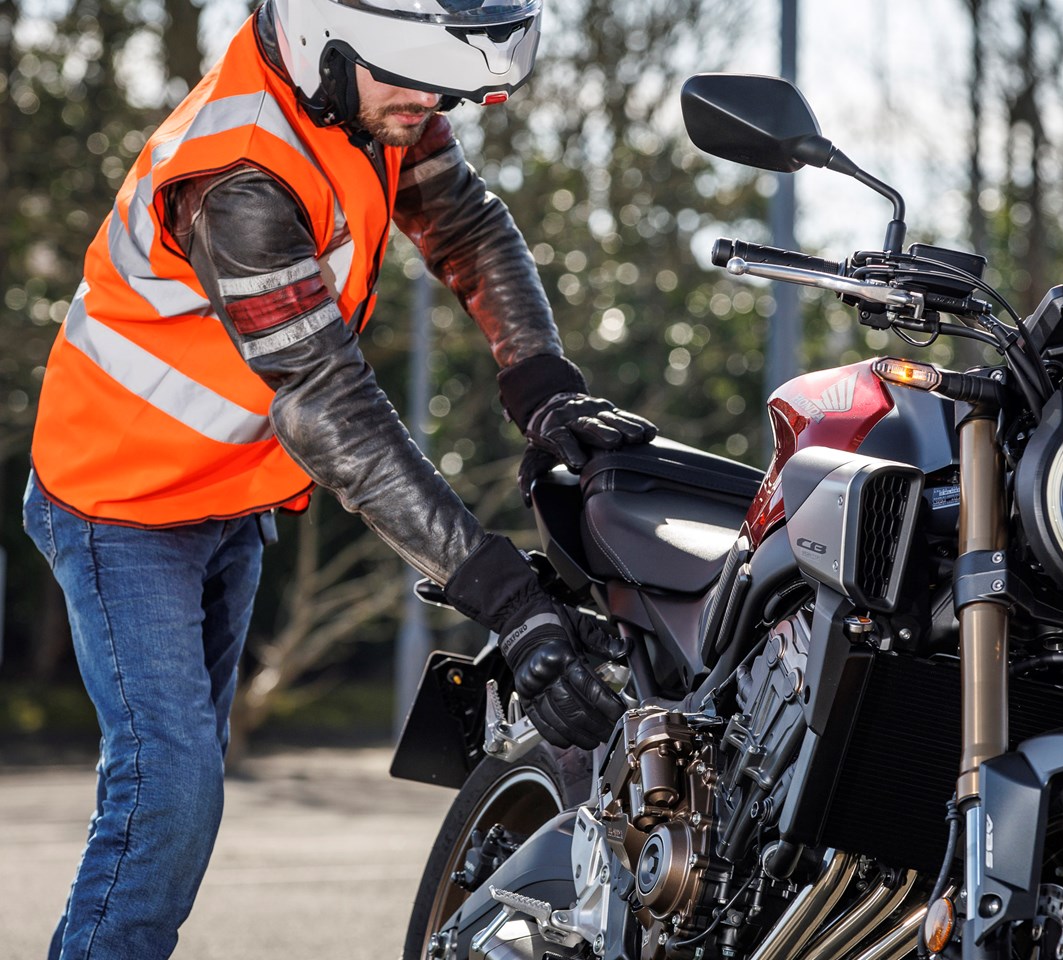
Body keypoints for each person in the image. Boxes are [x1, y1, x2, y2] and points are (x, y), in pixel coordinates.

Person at [21, 0, 651, 956]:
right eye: (414, 80)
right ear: (327, 36)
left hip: (227, 494)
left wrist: (544, 388)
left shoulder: (370, 92)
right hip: (122, 504)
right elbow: (332, 408)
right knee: (168, 795)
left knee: (167, 792)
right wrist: (507, 600)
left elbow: (469, 226)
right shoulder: (237, 180)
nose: (432, 105)